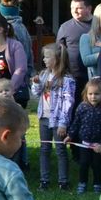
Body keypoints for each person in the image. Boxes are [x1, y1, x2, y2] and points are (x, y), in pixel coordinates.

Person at [31, 43, 74, 191]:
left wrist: (63, 123)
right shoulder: (43, 74)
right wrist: (36, 84)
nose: (44, 59)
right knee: (44, 149)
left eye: (47, 57)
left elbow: (68, 102)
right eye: (44, 56)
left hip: (57, 120)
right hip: (44, 117)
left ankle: (63, 181)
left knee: (61, 150)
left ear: (57, 59)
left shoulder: (66, 79)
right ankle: (44, 180)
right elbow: (36, 94)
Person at [66, 79, 101, 195]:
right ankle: (82, 183)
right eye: (90, 94)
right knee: (83, 163)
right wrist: (70, 135)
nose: (93, 97)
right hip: (84, 143)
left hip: (98, 145)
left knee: (97, 165)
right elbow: (76, 123)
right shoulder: (82, 107)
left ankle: (97, 183)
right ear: (86, 94)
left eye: (96, 94)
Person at [56, 0, 93, 106]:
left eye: (79, 8)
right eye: (72, 8)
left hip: (94, 76)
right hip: (73, 77)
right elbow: (58, 52)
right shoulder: (65, 27)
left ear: (89, 8)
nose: (75, 11)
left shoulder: (98, 25)